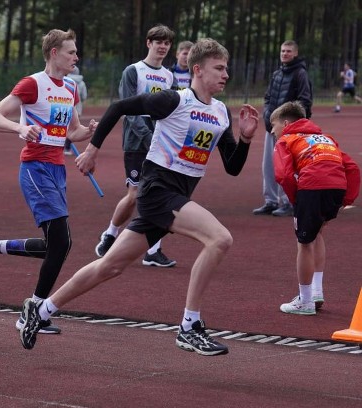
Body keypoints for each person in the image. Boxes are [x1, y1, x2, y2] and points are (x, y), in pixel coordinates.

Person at [18, 38, 260, 356]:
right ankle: (190, 327)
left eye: (226, 69)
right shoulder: (174, 100)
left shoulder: (220, 112)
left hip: (177, 196)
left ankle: (41, 309)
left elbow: (233, 167)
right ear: (198, 70)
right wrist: (92, 150)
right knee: (219, 238)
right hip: (158, 192)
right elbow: (119, 108)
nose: (225, 74)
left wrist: (245, 139)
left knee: (109, 266)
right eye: (219, 68)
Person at [0, 28, 97, 334]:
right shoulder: (32, 84)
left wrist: (89, 131)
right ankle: (35, 312)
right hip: (35, 169)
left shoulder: (70, 89)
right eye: (71, 52)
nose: (76, 57)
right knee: (62, 242)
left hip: (57, 170)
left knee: (55, 246)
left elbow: (72, 131)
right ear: (54, 53)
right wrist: (20, 129)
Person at [95, 24, 176, 268]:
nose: (163, 47)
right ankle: (111, 233)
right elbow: (128, 110)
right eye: (158, 42)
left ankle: (153, 251)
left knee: (160, 194)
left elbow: (170, 111)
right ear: (148, 43)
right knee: (134, 195)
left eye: (167, 43)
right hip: (136, 143)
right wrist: (149, 138)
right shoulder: (133, 71)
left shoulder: (169, 76)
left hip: (160, 143)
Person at [270, 101, 360, 315]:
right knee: (317, 233)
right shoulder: (326, 139)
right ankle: (316, 291)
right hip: (336, 187)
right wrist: (346, 199)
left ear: (285, 123)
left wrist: (296, 200)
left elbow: (283, 175)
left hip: (312, 187)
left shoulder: (286, 140)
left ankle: (305, 300)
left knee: (304, 243)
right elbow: (352, 168)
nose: (272, 131)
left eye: (273, 125)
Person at [253, 40, 312, 217]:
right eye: (282, 51)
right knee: (268, 165)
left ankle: (288, 201)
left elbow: (305, 101)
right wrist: (267, 115)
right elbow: (268, 98)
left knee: (287, 165)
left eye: (288, 51)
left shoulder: (300, 74)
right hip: (272, 126)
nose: (284, 54)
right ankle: (270, 201)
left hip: (289, 130)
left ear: (295, 53)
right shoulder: (277, 74)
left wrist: (292, 122)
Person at [63, 66, 88, 155]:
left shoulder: (64, 80)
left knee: (63, 125)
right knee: (72, 128)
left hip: (65, 105)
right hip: (77, 107)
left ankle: (59, 145)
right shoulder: (81, 83)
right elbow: (84, 96)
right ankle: (67, 147)